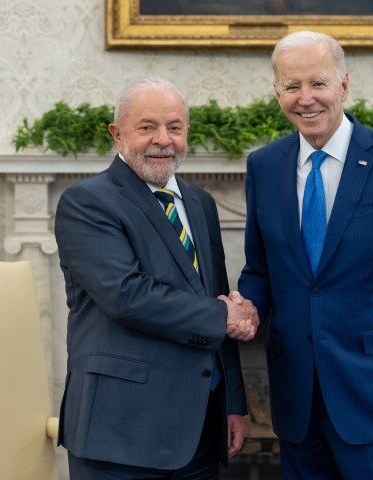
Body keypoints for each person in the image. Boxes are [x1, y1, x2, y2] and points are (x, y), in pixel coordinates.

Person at [237, 31, 373, 479]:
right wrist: (240, 309)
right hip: (296, 396)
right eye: (291, 86)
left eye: (317, 83)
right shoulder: (264, 166)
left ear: (343, 85)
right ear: (277, 92)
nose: (305, 99)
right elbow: (260, 271)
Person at [55, 78, 258, 479]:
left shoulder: (200, 202)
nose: (163, 139)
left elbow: (214, 293)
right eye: (147, 127)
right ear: (117, 133)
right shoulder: (87, 203)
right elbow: (126, 295)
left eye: (175, 127)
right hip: (121, 432)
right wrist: (224, 316)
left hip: (200, 428)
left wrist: (233, 402)